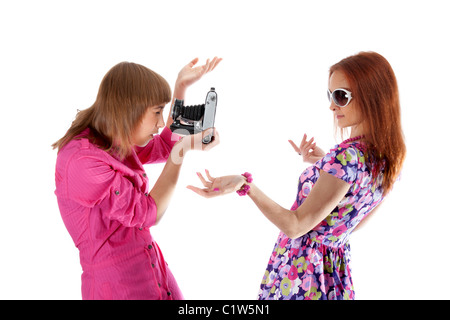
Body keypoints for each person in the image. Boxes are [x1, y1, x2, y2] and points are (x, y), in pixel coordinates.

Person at [188, 51, 406, 300]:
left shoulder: (347, 159)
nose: (332, 105)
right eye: (330, 95)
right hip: (333, 275)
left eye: (341, 96)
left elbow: (295, 226)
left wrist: (246, 185)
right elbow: (350, 221)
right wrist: (324, 163)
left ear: (372, 95)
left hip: (303, 274)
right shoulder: (387, 159)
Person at [52, 57, 221, 300]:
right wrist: (181, 151)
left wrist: (181, 88)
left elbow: (164, 144)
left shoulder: (113, 135)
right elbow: (149, 213)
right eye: (157, 112)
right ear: (128, 109)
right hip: (119, 288)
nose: (161, 122)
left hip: (152, 268)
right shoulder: (82, 161)